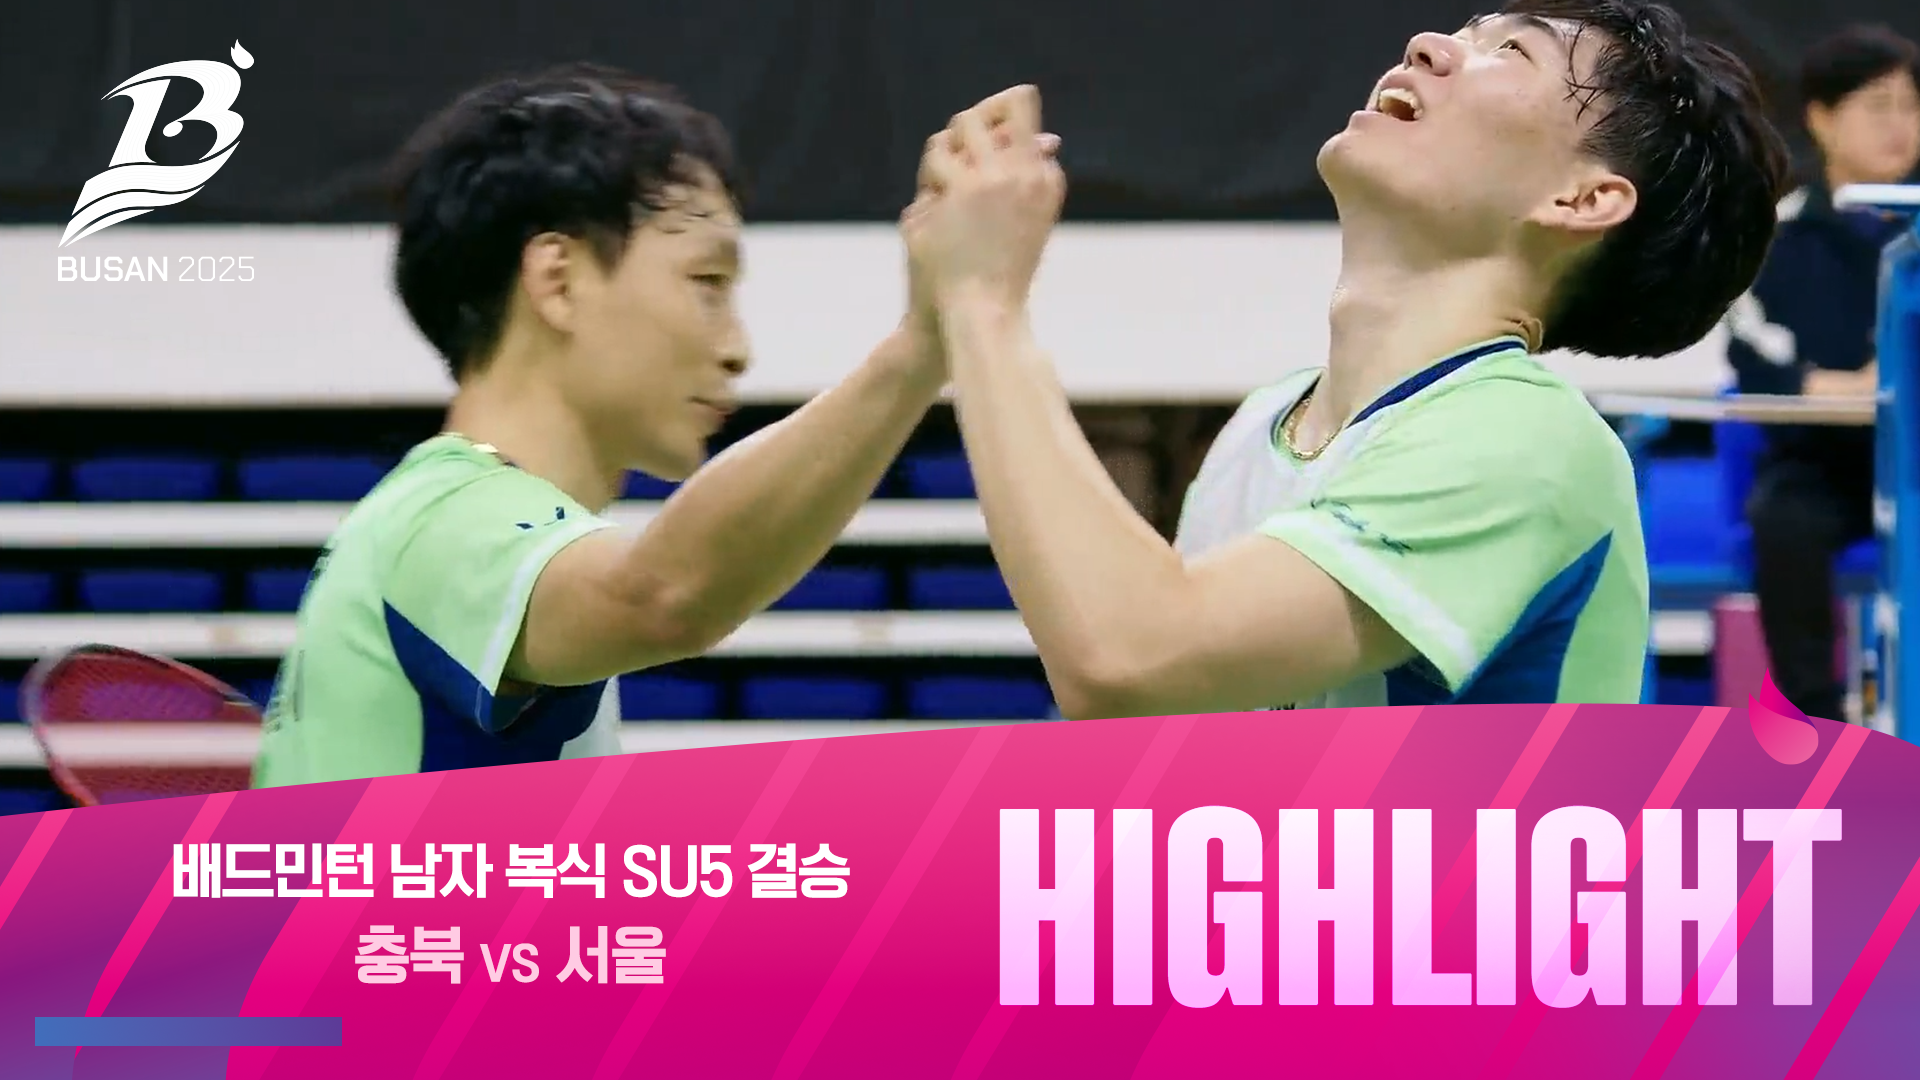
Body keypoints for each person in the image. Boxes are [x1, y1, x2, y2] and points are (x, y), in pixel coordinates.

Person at [905, 1, 1790, 718]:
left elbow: (1129, 659)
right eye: (1468, 31)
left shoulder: (1528, 439)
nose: (1430, 44)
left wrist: (982, 303)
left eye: (1512, 53)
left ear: (1584, 199)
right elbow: (1149, 718)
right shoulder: (1267, 420)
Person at [250, 66, 1013, 784]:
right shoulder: (448, 519)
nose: (738, 349)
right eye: (706, 282)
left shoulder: (436, 530)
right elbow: (663, 595)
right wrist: (924, 342)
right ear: (558, 280)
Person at [1727, 24, 1920, 723]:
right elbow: (1757, 362)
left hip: (1915, 454)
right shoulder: (1775, 236)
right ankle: (1815, 724)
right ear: (1821, 118)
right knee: (1783, 520)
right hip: (1824, 464)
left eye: (1911, 105)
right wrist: (1859, 387)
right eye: (1877, 105)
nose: (1900, 125)